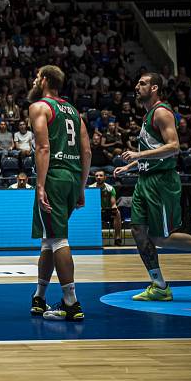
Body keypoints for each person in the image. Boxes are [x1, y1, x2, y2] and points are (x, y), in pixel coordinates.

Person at [113, 73, 191, 301]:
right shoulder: (147, 115)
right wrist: (132, 166)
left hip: (161, 182)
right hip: (145, 180)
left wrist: (138, 154)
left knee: (161, 238)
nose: (136, 86)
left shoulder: (162, 112)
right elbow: (155, 149)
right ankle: (159, 285)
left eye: (142, 83)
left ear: (154, 88)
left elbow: (174, 148)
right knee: (138, 232)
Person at [28, 65, 90, 322]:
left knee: (58, 239)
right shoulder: (74, 111)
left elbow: (43, 147)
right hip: (72, 177)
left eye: (36, 76)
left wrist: (41, 185)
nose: (33, 79)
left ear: (43, 80)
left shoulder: (39, 107)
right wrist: (81, 186)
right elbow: (87, 151)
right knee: (48, 239)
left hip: (53, 175)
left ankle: (71, 303)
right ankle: (40, 296)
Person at [90, 170, 121, 246]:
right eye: (96, 176)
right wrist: (96, 208)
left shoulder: (110, 188)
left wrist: (114, 208)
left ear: (105, 177)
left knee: (117, 213)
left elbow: (113, 204)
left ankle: (117, 238)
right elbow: (90, 204)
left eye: (101, 175)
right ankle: (92, 239)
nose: (98, 177)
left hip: (107, 212)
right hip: (95, 213)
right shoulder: (91, 188)